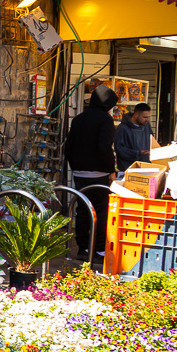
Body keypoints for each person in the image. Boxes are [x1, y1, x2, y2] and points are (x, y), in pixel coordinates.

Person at [64, 84, 119, 261]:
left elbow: (69, 146)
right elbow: (104, 147)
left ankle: (82, 249)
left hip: (79, 173)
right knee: (101, 212)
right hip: (99, 174)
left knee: (82, 210)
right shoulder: (105, 120)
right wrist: (111, 170)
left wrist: (76, 166)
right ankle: (98, 250)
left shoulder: (78, 119)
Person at [114, 102, 153, 172]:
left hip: (145, 167)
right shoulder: (122, 128)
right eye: (145, 117)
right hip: (128, 169)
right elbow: (119, 149)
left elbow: (152, 140)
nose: (147, 120)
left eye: (149, 117)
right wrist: (138, 153)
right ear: (136, 114)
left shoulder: (146, 126)